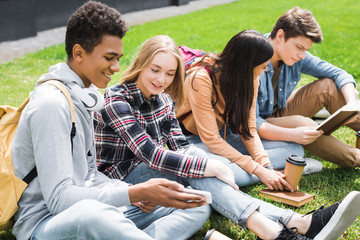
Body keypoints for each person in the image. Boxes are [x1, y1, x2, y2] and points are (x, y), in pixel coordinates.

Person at [94, 34, 360, 240]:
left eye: (170, 73)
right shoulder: (117, 100)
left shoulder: (162, 100)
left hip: (153, 172)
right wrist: (210, 165)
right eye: (155, 70)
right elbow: (150, 154)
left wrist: (212, 168)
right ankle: (287, 227)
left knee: (201, 176)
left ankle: (292, 225)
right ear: (140, 63)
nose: (161, 79)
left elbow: (179, 144)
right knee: (198, 170)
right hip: (120, 178)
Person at [11, 2, 212, 240]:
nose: (117, 67)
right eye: (109, 58)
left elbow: (90, 176)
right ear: (79, 53)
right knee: (94, 216)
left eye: (118, 58)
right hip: (47, 223)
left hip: (96, 206)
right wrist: (133, 192)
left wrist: (130, 192)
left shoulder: (82, 97)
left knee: (195, 205)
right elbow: (58, 200)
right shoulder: (52, 105)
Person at [176, 29, 303, 190]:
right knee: (218, 167)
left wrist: (266, 166)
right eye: (263, 67)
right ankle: (238, 173)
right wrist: (257, 169)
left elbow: (248, 129)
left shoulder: (251, 78)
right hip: (196, 140)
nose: (265, 71)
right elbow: (211, 140)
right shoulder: (200, 78)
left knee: (294, 150)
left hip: (226, 134)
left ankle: (257, 173)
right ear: (247, 66)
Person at [256, 6, 360, 168]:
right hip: (259, 125)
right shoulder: (253, 59)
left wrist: (352, 103)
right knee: (303, 124)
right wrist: (293, 134)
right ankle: (356, 157)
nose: (302, 55)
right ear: (280, 36)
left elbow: (339, 74)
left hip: (279, 111)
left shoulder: (294, 55)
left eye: (306, 50)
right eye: (299, 47)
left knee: (328, 86)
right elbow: (251, 123)